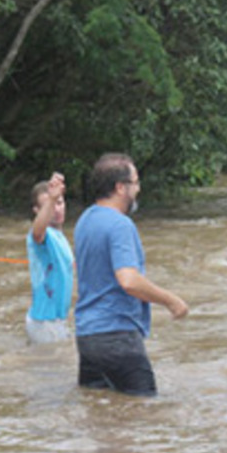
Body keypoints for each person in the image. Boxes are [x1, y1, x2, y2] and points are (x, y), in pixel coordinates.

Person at [73, 153, 189, 396]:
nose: (138, 189)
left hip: (87, 335)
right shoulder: (120, 224)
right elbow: (128, 280)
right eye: (135, 182)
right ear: (120, 187)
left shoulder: (85, 219)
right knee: (144, 408)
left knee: (99, 409)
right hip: (116, 334)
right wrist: (171, 300)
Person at [26, 172, 73, 344]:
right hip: (44, 322)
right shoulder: (40, 235)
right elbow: (38, 232)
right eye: (49, 205)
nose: (56, 209)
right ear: (37, 211)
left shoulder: (60, 236)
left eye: (59, 203)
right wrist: (52, 198)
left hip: (55, 319)